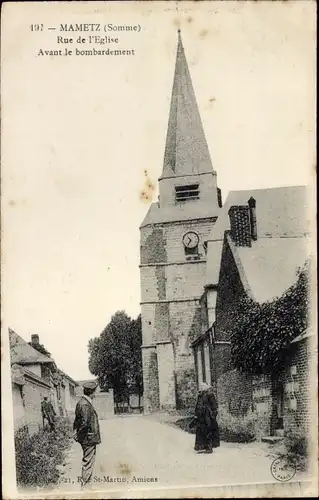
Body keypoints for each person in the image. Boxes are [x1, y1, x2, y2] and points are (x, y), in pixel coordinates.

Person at [73, 381, 101, 487]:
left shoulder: (82, 402)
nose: (96, 394)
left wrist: (76, 433)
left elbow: (76, 421)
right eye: (95, 391)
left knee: (88, 461)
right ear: (91, 392)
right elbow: (84, 424)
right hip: (88, 438)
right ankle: (85, 486)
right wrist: (79, 435)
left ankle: (87, 483)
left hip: (87, 437)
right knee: (88, 462)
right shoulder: (85, 404)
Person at [193, 382, 220, 454]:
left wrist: (213, 415)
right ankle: (202, 446)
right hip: (200, 416)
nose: (200, 387)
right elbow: (197, 405)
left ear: (205, 387)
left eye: (202, 386)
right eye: (200, 386)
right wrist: (196, 414)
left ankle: (209, 447)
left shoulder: (210, 395)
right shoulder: (200, 395)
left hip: (207, 416)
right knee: (201, 431)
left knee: (208, 430)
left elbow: (214, 406)